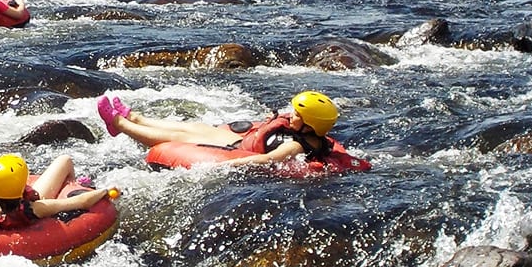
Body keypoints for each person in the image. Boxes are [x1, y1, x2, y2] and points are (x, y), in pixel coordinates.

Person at [96, 90, 345, 167]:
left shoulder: (295, 145)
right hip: (241, 141)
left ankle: (120, 124)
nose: (291, 116)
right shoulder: (305, 134)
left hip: (235, 151)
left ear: (311, 126)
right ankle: (135, 117)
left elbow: (265, 160)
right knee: (194, 126)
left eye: (297, 115)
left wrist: (224, 165)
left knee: (176, 137)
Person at [0, 153, 119, 229]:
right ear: (24, 187)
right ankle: (72, 184)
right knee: (65, 160)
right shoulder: (37, 207)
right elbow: (81, 202)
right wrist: (104, 190)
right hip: (26, 206)